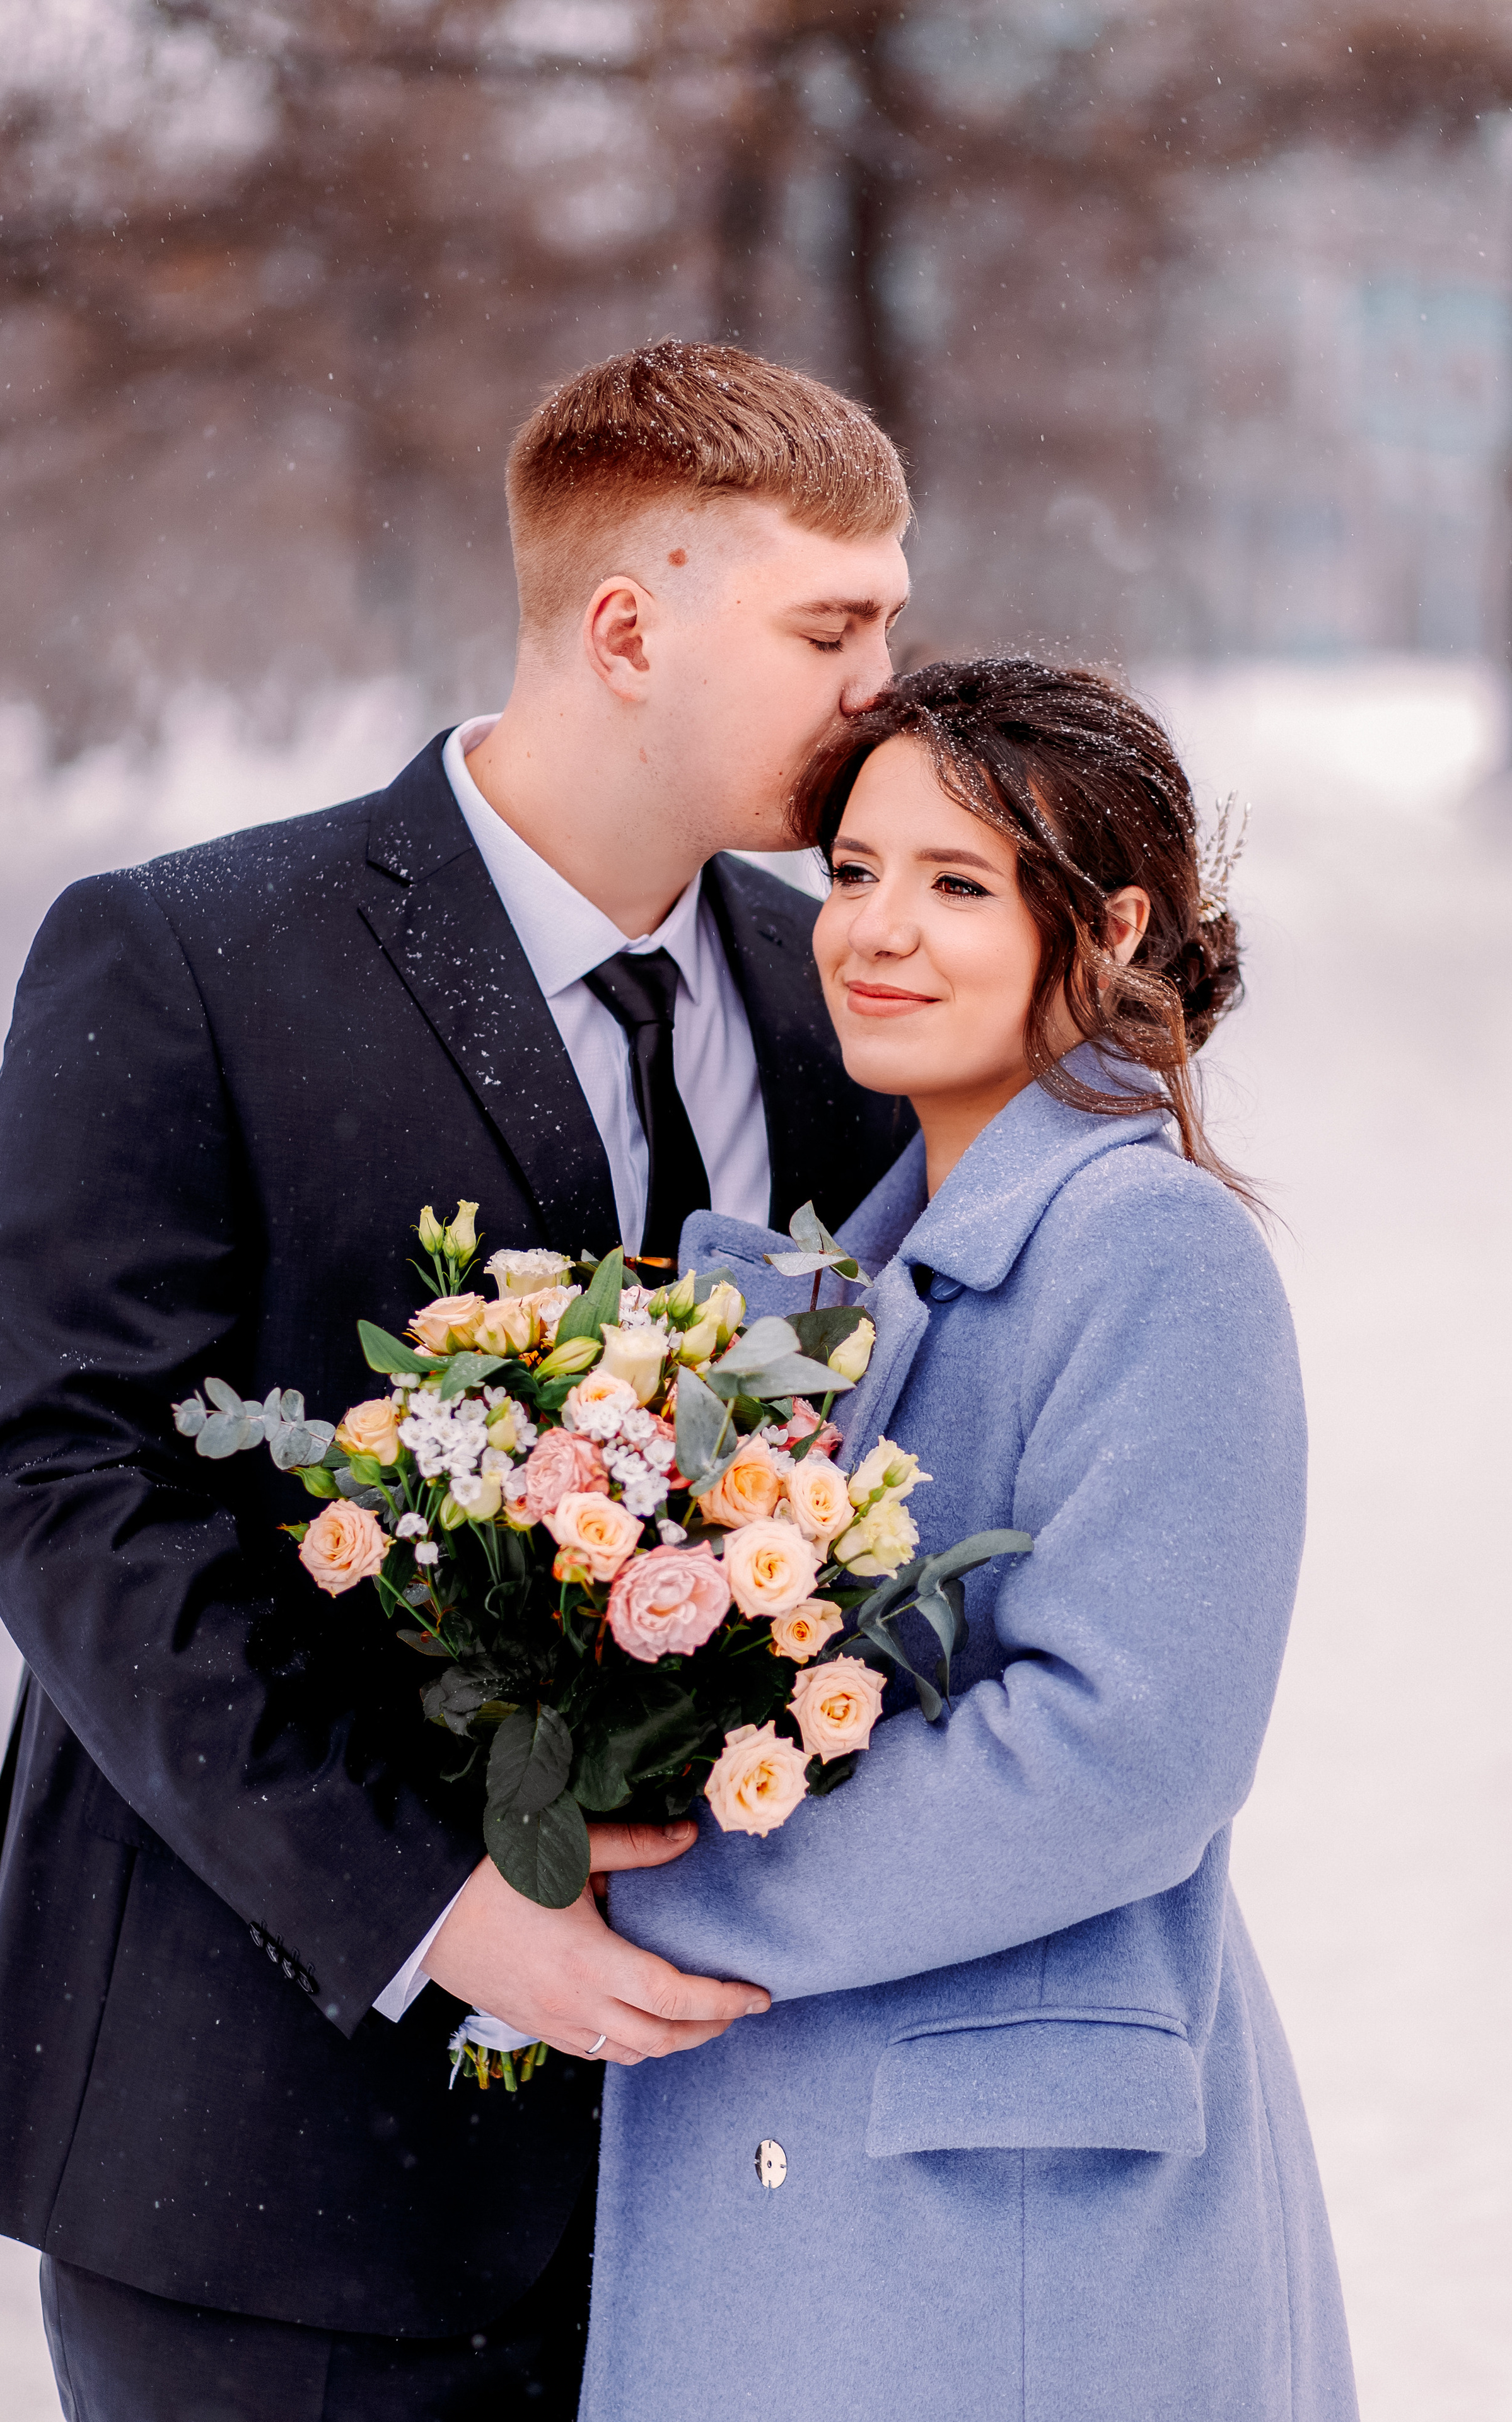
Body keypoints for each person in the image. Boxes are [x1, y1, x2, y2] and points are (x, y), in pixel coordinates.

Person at [0, 341, 917, 2421]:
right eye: (835, 626)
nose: (881, 686)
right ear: (627, 626)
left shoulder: (836, 1013)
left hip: (713, 2180)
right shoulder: (190, 957)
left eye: (892, 621)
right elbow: (65, 1482)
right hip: (265, 2147)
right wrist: (432, 1906)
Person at [584, 658, 1359, 2421]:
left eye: (956, 884)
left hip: (1008, 2215)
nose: (876, 931)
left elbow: (1130, 1749)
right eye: (853, 874)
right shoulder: (839, 1280)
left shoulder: (1150, 1250)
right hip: (825, 2163)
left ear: (1106, 923)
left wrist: (664, 1887)